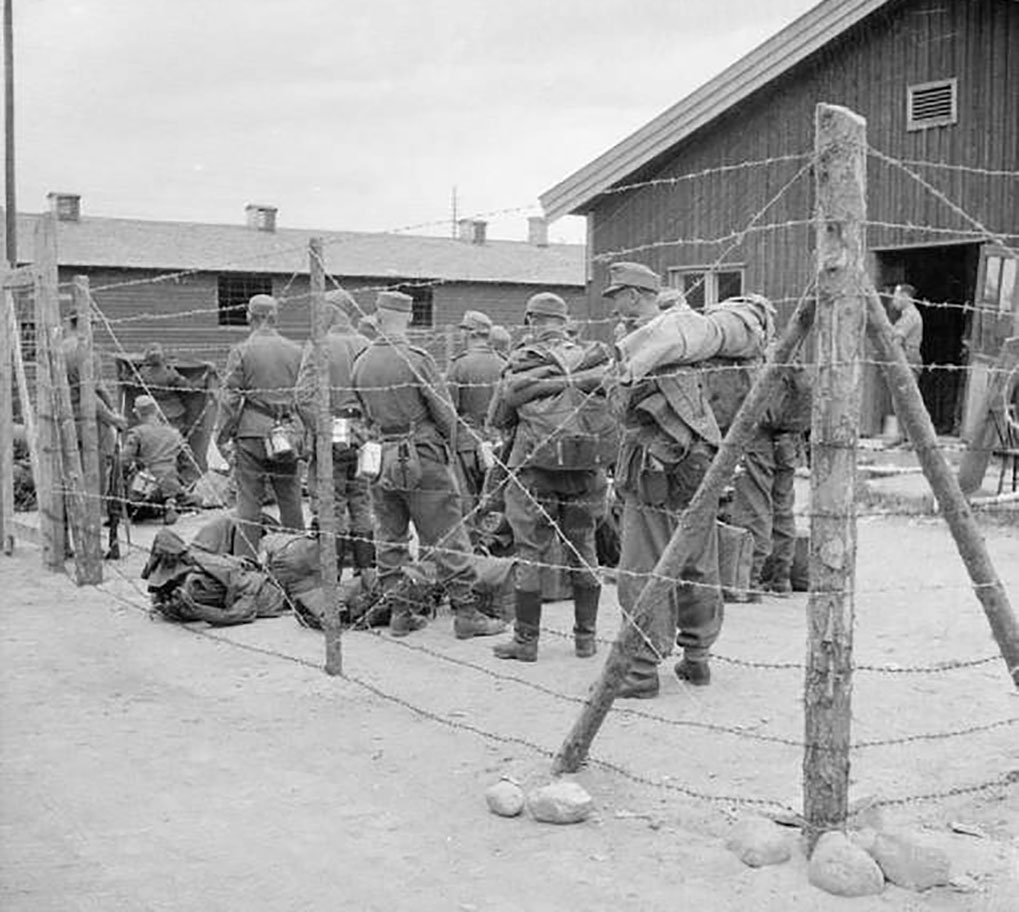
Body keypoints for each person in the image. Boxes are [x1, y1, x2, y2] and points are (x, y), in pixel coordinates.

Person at [604, 262, 772, 697]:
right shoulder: (710, 343)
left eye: (618, 296)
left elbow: (619, 406)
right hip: (706, 469)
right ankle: (697, 659)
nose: (615, 307)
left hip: (655, 473)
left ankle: (640, 671)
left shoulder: (656, 344)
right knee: (699, 563)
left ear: (637, 296)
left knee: (643, 569)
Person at [351, 290, 506, 640]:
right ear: (405, 317)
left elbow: (361, 411)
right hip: (422, 454)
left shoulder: (361, 361)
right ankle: (467, 612)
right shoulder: (415, 358)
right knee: (447, 533)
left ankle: (400, 612)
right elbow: (444, 413)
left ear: (378, 316)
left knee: (390, 537)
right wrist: (444, 451)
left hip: (382, 455)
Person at [488, 292, 614, 663]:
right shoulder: (594, 356)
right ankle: (585, 640)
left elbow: (500, 418)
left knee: (531, 551)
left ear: (530, 320)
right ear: (566, 320)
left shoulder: (524, 360)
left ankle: (526, 642)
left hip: (534, 470)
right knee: (584, 547)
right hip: (587, 468)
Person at [216, 293, 305, 561]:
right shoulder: (297, 351)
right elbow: (304, 395)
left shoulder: (241, 350)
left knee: (249, 503)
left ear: (248, 317)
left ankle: (246, 564)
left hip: (252, 431)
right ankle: (296, 560)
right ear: (275, 318)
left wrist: (223, 434)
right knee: (290, 498)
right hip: (287, 431)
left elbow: (230, 397)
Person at [294, 288, 374, 580]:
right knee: (362, 501)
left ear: (335, 310)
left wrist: (322, 431)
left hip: (331, 427)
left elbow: (302, 396)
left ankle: (332, 580)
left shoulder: (319, 344)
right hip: (362, 432)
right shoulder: (366, 343)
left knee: (331, 504)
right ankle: (367, 575)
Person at [59, 310, 127, 524]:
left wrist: (111, 407)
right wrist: (113, 418)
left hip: (61, 421)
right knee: (92, 479)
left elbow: (99, 387)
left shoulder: (56, 349)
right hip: (86, 423)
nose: (95, 330)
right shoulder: (86, 352)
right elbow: (89, 395)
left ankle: (66, 535)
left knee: (65, 479)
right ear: (78, 324)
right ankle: (91, 529)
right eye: (93, 325)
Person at [446, 309, 505, 539]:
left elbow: (449, 409)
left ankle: (473, 553)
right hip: (498, 441)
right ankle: (494, 549)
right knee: (496, 501)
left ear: (471, 334)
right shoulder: (504, 363)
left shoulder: (460, 365)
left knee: (467, 502)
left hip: (466, 442)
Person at [120, 395, 187, 523]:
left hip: (146, 485)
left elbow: (124, 461)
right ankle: (170, 503)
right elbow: (187, 460)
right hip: (172, 482)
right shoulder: (174, 433)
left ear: (138, 414)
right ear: (156, 411)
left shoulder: (137, 433)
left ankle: (138, 508)